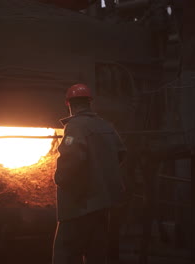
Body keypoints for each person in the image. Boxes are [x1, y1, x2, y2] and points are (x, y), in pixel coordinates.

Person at [53, 83, 126, 264]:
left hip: (80, 206)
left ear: (69, 104)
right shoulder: (105, 126)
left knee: (66, 254)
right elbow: (121, 152)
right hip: (103, 204)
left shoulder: (75, 127)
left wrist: (59, 178)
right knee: (96, 255)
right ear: (89, 103)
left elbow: (71, 157)